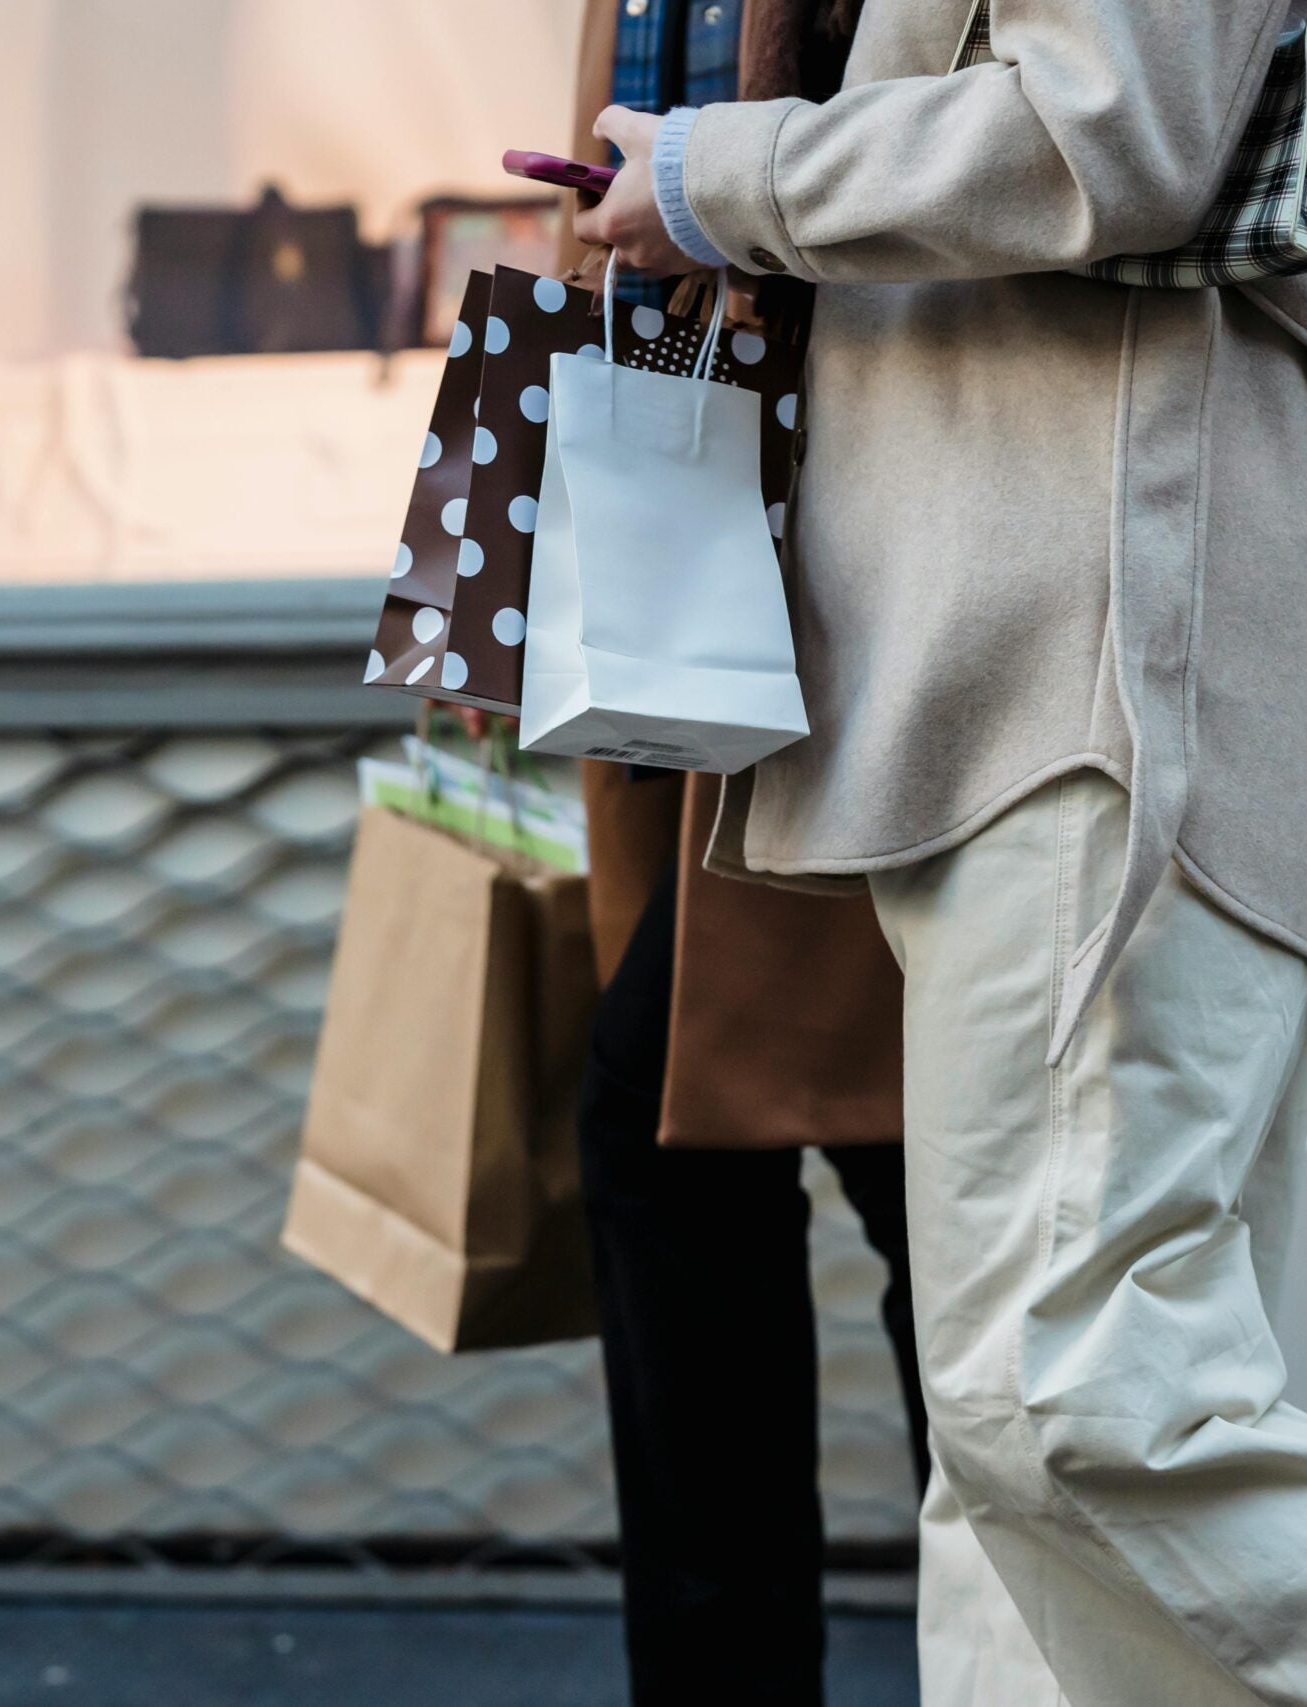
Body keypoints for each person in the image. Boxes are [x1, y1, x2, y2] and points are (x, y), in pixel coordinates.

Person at [575, 2, 1307, 1705]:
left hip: (1103, 644)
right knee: (1011, 1497)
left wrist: (727, 171)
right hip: (1028, 642)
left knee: (1072, 1394)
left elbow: (1109, 132)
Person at [552, 7, 931, 1705]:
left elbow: (1008, 153)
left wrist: (701, 188)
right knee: (688, 1128)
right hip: (686, 517)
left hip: (878, 535)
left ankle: (1020, 1662)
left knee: (912, 1155)